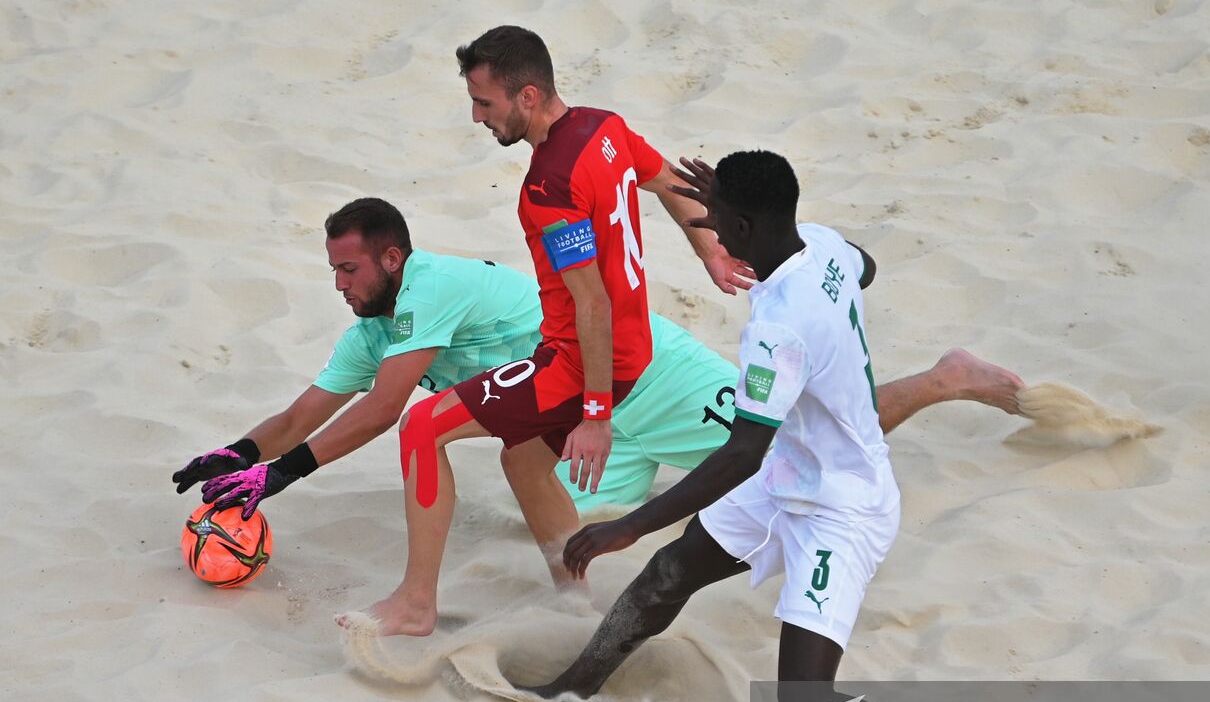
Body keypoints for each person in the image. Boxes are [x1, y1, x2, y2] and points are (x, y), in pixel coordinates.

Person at [173, 198, 1023, 634]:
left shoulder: (431, 286)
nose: (339, 283)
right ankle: (573, 594)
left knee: (799, 438)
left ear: (391, 257)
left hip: (641, 371)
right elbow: (306, 412)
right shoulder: (379, 328)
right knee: (519, 459)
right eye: (332, 270)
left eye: (349, 267)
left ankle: (944, 378)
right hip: (575, 405)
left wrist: (276, 478)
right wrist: (234, 456)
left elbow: (387, 413)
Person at [521, 151, 978, 702]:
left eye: (714, 217)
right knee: (668, 575)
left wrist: (630, 526)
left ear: (740, 230)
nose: (703, 221)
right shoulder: (820, 245)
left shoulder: (780, 328)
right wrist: (737, 205)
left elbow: (742, 453)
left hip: (842, 507)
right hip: (790, 475)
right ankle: (573, 688)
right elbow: (863, 265)